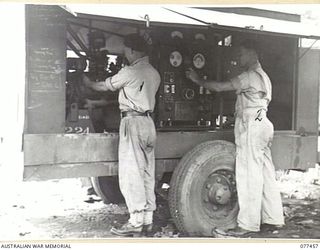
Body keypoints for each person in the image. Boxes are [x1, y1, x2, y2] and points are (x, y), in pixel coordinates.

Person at [186, 39, 284, 236]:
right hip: (262, 121)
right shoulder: (264, 77)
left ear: (252, 53)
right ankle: (273, 219)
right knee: (265, 173)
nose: (238, 58)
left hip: (254, 125)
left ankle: (247, 225)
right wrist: (251, 117)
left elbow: (221, 87)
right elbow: (259, 109)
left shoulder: (249, 76)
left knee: (248, 174)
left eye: (241, 54)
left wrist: (198, 81)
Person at [83, 33, 161, 236]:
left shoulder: (130, 72)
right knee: (146, 173)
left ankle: (135, 222)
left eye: (126, 50)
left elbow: (104, 86)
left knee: (131, 173)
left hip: (132, 123)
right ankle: (147, 220)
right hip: (148, 123)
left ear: (133, 50)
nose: (125, 54)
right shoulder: (154, 72)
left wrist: (88, 83)